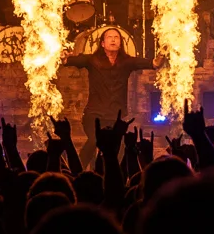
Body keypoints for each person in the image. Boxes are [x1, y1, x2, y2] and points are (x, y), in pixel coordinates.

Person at [62, 29, 153, 164]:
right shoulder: (92, 60)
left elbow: (152, 64)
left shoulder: (127, 62)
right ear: (103, 43)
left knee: (120, 147)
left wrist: (159, 60)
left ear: (120, 43)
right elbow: (69, 61)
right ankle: (77, 171)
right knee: (93, 141)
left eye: (116, 37)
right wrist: (65, 58)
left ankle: (116, 176)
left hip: (115, 115)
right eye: (109, 37)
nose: (113, 39)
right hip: (94, 114)